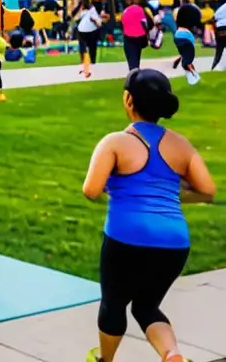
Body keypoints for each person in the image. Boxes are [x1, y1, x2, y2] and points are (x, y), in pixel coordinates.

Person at [82, 69, 215, 362]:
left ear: (128, 100)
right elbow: (207, 190)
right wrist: (171, 194)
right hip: (174, 243)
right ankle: (172, 355)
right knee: (146, 306)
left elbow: (91, 190)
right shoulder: (181, 144)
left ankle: (105, 360)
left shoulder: (114, 142)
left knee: (114, 305)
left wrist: (119, 188)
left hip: (125, 238)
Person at [171, 1, 202, 85]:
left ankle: (180, 59)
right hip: (187, 40)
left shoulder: (180, 19)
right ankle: (193, 78)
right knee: (187, 61)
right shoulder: (191, 22)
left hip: (178, 37)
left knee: (185, 55)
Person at [76, 0, 106, 78]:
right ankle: (91, 62)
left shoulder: (85, 11)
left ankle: (85, 63)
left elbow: (77, 18)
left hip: (82, 30)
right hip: (90, 31)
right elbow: (98, 21)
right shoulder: (92, 10)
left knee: (84, 48)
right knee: (92, 47)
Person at [121, 0, 150, 72]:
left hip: (128, 36)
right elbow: (145, 23)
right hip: (140, 36)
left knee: (131, 59)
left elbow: (122, 23)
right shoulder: (141, 10)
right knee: (137, 56)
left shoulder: (126, 11)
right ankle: (136, 74)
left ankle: (133, 75)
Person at [212, 0, 226, 71]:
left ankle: (213, 67)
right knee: (219, 50)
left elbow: (215, 16)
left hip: (220, 28)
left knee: (219, 51)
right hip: (222, 27)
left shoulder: (223, 6)